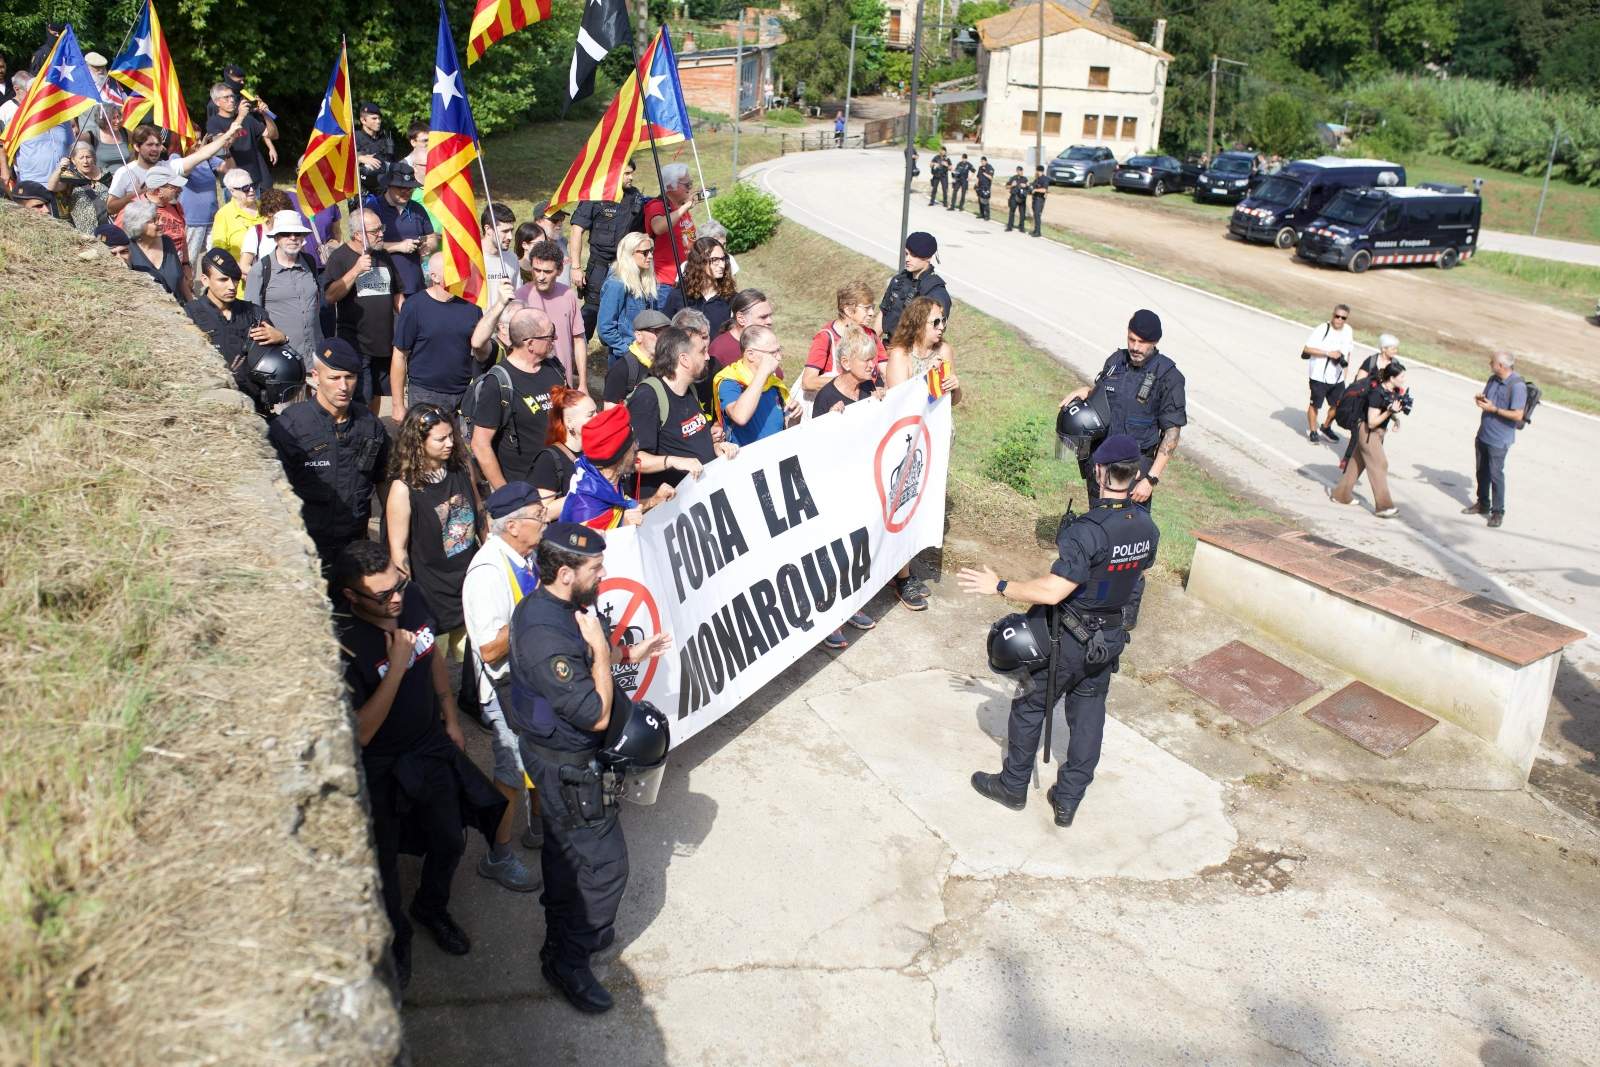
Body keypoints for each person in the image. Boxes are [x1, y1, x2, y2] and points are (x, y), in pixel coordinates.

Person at [506, 521, 671, 1013]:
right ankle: (567, 959)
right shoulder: (542, 634)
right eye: (595, 568)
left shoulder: (562, 605)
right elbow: (595, 712)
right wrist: (603, 649)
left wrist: (624, 652)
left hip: (571, 757)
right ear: (562, 573)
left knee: (567, 854)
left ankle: (567, 934)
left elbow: (583, 663)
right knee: (603, 867)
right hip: (566, 765)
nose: (603, 575)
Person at [957, 433, 1160, 827]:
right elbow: (1134, 577)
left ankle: (1013, 785)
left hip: (1069, 637)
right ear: (1135, 476)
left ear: (1100, 472)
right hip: (1110, 637)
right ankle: (1068, 800)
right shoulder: (1147, 528)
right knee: (1088, 715)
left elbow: (1053, 592)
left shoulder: (1089, 529)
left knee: (1032, 704)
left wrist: (1000, 586)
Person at [332, 539, 503, 990]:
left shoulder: (412, 599)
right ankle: (397, 940)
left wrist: (450, 715)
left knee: (450, 838)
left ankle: (431, 906)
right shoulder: (344, 645)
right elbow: (361, 731)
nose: (396, 599)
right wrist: (398, 664)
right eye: (383, 595)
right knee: (383, 865)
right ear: (352, 596)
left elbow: (434, 662)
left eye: (397, 586)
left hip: (430, 745)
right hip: (381, 765)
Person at [461, 481, 550, 893]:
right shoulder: (487, 572)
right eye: (537, 514)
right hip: (504, 691)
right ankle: (497, 857)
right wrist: (539, 612)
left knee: (536, 755)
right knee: (510, 774)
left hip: (529, 683)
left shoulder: (524, 556)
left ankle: (537, 829)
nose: (544, 519)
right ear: (512, 526)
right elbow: (489, 648)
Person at [267, 339, 392, 565]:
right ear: (315, 377)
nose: (343, 387)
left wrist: (393, 540)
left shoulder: (369, 425)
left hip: (355, 544)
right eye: (334, 378)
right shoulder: (290, 427)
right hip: (309, 547)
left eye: (350, 377)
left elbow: (385, 481)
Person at [384, 402, 484, 661]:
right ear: (419, 442)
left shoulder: (461, 467)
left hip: (468, 585)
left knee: (474, 663)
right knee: (431, 668)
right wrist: (409, 599)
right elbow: (398, 550)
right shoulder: (403, 489)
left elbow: (480, 512)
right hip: (431, 595)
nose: (450, 443)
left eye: (451, 435)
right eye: (440, 439)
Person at [811, 326, 881, 650]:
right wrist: (829, 421)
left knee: (859, 548)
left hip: (864, 484)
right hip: (834, 488)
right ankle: (830, 618)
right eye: (866, 359)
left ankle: (853, 605)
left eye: (873, 358)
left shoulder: (870, 390)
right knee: (836, 551)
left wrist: (883, 403)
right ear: (846, 360)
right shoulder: (828, 397)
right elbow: (814, 446)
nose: (873, 365)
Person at [629, 325, 737, 499]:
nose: (708, 357)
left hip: (698, 499)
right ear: (684, 360)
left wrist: (716, 447)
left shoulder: (690, 389)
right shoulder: (648, 398)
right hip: (668, 511)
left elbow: (688, 438)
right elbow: (633, 460)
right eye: (702, 352)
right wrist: (673, 461)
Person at [467, 308, 569, 490]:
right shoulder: (498, 383)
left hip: (562, 478)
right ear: (530, 344)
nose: (555, 339)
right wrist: (507, 495)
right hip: (525, 488)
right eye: (550, 335)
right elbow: (480, 444)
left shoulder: (553, 366)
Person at [391, 252, 503, 416]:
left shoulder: (472, 307)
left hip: (465, 393)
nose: (459, 272)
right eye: (452, 268)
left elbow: (480, 347)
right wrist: (397, 405)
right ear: (434, 276)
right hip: (426, 394)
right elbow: (399, 355)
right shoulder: (414, 306)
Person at [321, 207, 399, 412]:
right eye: (375, 231)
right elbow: (330, 296)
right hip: (356, 343)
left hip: (383, 341)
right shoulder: (340, 257)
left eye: (381, 228)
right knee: (360, 396)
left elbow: (397, 293)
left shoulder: (383, 256)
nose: (381, 233)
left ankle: (372, 432)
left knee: (376, 394)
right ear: (357, 235)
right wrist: (355, 270)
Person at [569, 159, 644, 336]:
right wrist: (576, 267)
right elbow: (576, 230)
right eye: (626, 173)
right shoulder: (595, 195)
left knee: (623, 312)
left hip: (624, 267)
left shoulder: (634, 197)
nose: (631, 177)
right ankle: (574, 355)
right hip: (599, 267)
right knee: (590, 313)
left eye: (632, 173)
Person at [186, 247, 286, 377]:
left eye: (235, 279)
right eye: (223, 280)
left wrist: (282, 339)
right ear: (205, 280)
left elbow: (275, 359)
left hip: (254, 393)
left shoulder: (254, 313)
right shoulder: (190, 315)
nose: (232, 286)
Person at [244, 210, 324, 369]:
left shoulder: (310, 262)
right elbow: (252, 321)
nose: (293, 238)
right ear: (276, 238)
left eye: (298, 233)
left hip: (314, 358)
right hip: (280, 361)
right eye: (286, 233)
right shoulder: (260, 271)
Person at [1330, 361, 1407, 518]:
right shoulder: (1376, 393)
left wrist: (1395, 418)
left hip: (1377, 433)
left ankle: (1340, 495)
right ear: (1392, 378)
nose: (1404, 379)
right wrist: (1388, 412)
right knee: (1379, 464)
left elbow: (1384, 409)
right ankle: (1384, 506)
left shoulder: (1390, 391)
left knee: (1356, 464)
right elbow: (1372, 421)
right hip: (1368, 432)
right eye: (1402, 376)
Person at [560, 406, 653, 529]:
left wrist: (654, 501)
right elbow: (598, 547)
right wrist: (624, 528)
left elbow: (626, 505)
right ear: (618, 456)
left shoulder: (604, 478)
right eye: (632, 444)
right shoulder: (587, 509)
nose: (636, 448)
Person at [514, 238, 586, 392]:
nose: (540, 277)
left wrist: (583, 384)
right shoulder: (520, 297)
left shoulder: (568, 295)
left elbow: (578, 340)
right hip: (530, 384)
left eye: (547, 272)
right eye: (536, 270)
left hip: (563, 383)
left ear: (559, 271)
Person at [802, 281, 888, 407]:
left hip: (868, 405)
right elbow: (808, 382)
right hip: (836, 408)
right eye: (866, 308)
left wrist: (882, 389)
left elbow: (885, 372)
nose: (871, 313)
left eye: (872, 307)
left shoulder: (871, 335)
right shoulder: (825, 337)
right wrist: (847, 383)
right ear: (848, 310)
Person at [713, 326, 802, 447]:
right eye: (772, 353)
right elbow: (740, 416)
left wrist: (795, 417)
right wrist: (762, 373)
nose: (779, 357)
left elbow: (787, 428)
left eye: (779, 350)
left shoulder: (773, 382)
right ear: (750, 354)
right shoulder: (730, 382)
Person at [1466, 352, 1526, 529]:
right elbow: (1488, 401)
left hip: (1499, 440)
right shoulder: (1493, 379)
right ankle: (1482, 503)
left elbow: (1517, 414)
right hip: (1484, 433)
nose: (1489, 363)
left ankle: (1498, 511)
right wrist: (1481, 400)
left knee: (1495, 475)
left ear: (1501, 366)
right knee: (1481, 471)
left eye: (1492, 362)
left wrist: (1494, 409)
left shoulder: (1517, 386)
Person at [596, 232, 670, 365]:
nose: (650, 256)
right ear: (629, 254)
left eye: (651, 251)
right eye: (645, 252)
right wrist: (628, 352)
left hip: (648, 355)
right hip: (625, 359)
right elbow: (605, 328)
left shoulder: (646, 280)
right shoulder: (616, 284)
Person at [366, 160, 434, 298]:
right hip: (383, 283)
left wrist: (428, 246)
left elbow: (432, 236)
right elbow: (366, 245)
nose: (406, 192)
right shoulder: (373, 208)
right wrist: (398, 247)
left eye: (410, 188)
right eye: (401, 188)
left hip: (414, 282)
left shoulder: (417, 208)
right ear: (389, 186)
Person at [531, 386, 597, 512]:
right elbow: (542, 511)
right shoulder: (549, 459)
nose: (598, 417)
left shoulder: (595, 449)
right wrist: (585, 493)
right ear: (569, 422)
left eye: (596, 411)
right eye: (590, 415)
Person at [205, 84, 277, 192]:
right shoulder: (213, 123)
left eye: (232, 96)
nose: (232, 100)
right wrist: (240, 117)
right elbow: (224, 146)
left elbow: (273, 135)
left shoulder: (248, 119)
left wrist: (265, 115)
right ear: (216, 102)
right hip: (234, 183)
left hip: (255, 179)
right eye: (226, 97)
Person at [879, 231, 950, 339]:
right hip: (888, 347)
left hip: (912, 352)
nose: (907, 259)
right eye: (907, 254)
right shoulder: (898, 281)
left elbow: (934, 334)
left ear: (928, 257)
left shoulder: (936, 292)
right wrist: (871, 346)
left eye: (914, 255)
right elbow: (883, 314)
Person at [662, 236, 735, 337]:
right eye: (715, 260)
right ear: (700, 261)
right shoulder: (679, 295)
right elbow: (665, 333)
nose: (722, 265)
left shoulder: (730, 297)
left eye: (723, 259)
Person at [1303, 303, 1354, 444]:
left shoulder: (1348, 330)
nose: (1339, 319)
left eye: (1343, 318)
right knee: (1315, 405)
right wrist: (1328, 353)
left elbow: (1348, 351)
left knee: (1338, 405)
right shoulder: (1322, 328)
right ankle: (1313, 431)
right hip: (1318, 376)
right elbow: (1307, 349)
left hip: (1337, 377)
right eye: (1337, 316)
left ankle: (1325, 428)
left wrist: (1345, 372)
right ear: (1333, 315)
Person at [643, 162, 698, 286]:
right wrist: (684, 208)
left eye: (691, 183)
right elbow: (658, 228)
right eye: (687, 184)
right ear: (670, 186)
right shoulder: (656, 206)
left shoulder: (681, 207)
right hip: (666, 282)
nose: (690, 188)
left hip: (687, 278)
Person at [122, 199, 186, 302]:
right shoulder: (127, 250)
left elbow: (181, 280)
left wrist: (193, 305)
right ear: (138, 225)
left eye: (159, 218)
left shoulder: (167, 242)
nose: (160, 222)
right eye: (153, 220)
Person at [603, 309, 669, 408]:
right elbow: (610, 413)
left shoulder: (667, 365)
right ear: (639, 336)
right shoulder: (621, 369)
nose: (663, 337)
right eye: (657, 332)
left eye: (666, 332)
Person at [46, 138, 111, 234]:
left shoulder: (105, 174)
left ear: (93, 158)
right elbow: (51, 187)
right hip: (86, 233)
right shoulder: (71, 177)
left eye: (88, 157)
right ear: (73, 160)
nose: (85, 161)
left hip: (109, 227)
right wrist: (60, 168)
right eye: (81, 158)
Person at [208, 167, 265, 272]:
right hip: (239, 274)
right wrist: (235, 269)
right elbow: (218, 252)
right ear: (232, 191)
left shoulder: (265, 208)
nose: (251, 190)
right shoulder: (224, 214)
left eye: (253, 185)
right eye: (245, 188)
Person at [709, 288, 773, 369]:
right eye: (763, 317)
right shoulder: (720, 352)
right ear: (741, 319)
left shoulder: (765, 343)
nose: (770, 321)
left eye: (770, 315)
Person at [355, 101, 394, 193]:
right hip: (363, 192)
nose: (378, 121)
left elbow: (392, 162)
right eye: (374, 118)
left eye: (379, 118)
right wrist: (359, 158)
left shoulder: (386, 139)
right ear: (363, 120)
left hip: (385, 190)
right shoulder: (354, 137)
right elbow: (342, 161)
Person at [480, 202, 520, 287]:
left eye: (511, 231)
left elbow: (517, 296)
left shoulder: (512, 258)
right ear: (488, 229)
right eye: (505, 231)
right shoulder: (472, 259)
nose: (510, 237)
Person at [1005, 166, 1029, 233]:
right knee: (1012, 212)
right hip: (1014, 197)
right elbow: (1006, 186)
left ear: (1022, 171)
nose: (1019, 172)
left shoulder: (1025, 179)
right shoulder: (1013, 178)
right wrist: (1012, 185)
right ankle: (1009, 227)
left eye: (1021, 171)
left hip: (1022, 198)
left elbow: (1029, 188)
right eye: (1018, 171)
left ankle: (1021, 228)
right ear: (1016, 171)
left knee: (1022, 214)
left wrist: (1026, 186)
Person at [1030, 164, 1049, 237]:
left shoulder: (1045, 179)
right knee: (1035, 215)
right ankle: (1035, 230)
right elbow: (1033, 184)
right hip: (1035, 199)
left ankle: (1038, 232)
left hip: (1039, 200)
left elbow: (1044, 190)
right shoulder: (1037, 178)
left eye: (1036, 171)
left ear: (1038, 171)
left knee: (1037, 215)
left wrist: (1035, 190)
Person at [975, 156, 995, 221]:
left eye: (983, 161)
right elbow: (978, 177)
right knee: (980, 201)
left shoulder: (990, 168)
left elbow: (991, 178)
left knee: (985, 202)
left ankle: (987, 216)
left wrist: (985, 173)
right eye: (981, 162)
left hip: (986, 187)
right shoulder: (980, 168)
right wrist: (976, 184)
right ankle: (982, 214)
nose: (982, 163)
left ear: (986, 161)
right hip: (980, 186)